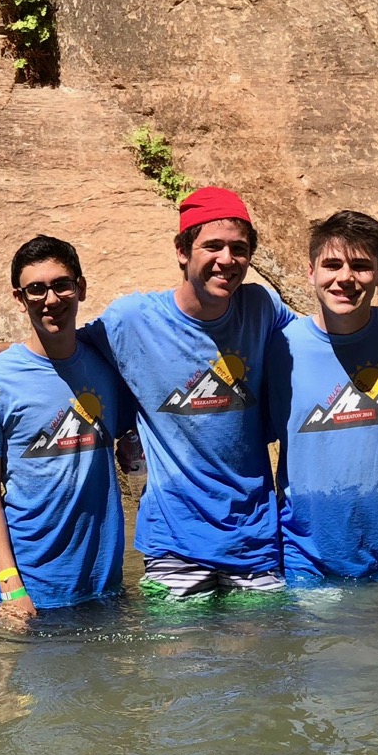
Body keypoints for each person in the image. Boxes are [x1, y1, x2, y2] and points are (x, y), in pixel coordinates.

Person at [83, 187, 296, 599]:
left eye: (239, 248)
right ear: (182, 251)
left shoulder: (260, 307)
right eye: (212, 246)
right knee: (180, 642)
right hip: (173, 540)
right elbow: (60, 350)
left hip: (254, 536)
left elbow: (320, 338)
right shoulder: (133, 320)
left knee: (262, 641)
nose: (227, 260)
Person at [0, 235, 134, 628]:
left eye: (61, 285)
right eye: (36, 289)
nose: (51, 299)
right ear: (19, 298)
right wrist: (11, 587)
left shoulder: (107, 363)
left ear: (81, 287)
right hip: (29, 594)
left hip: (105, 590)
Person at [265, 210, 378, 582]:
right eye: (332, 265)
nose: (345, 278)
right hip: (306, 562)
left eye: (360, 266)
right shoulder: (280, 348)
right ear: (311, 272)